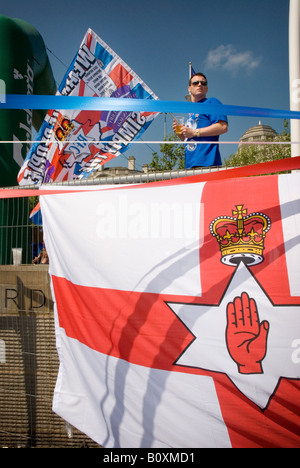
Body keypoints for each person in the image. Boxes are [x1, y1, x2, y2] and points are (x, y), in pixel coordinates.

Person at [173, 72, 228, 168]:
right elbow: (190, 139)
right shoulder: (190, 112)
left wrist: (194, 132)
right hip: (190, 164)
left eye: (203, 83)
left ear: (207, 88)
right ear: (189, 88)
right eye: (195, 83)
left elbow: (222, 127)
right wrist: (181, 135)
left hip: (208, 164)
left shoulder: (211, 102)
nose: (200, 85)